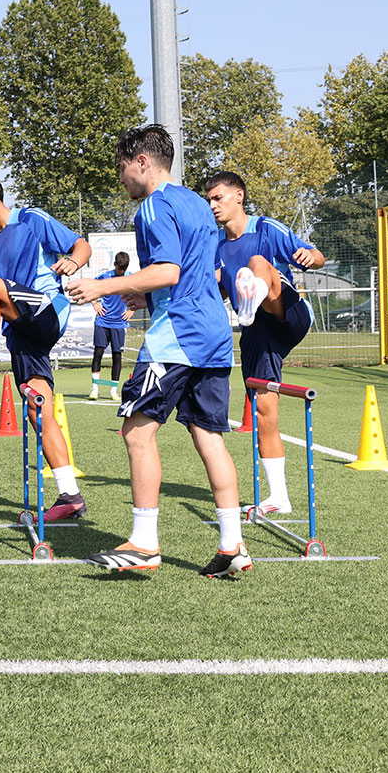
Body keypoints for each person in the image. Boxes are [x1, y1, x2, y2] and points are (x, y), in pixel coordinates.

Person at [67, 125, 249, 578]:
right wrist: (144, 296)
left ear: (142, 162)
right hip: (214, 335)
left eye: (122, 168)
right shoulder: (195, 203)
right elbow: (195, 275)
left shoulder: (154, 206)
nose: (121, 178)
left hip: (178, 338)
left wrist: (100, 286)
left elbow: (168, 271)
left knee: (136, 432)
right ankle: (234, 546)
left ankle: (145, 543)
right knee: (209, 438)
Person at [0, 168, 93, 522]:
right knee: (38, 408)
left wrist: (73, 261)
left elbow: (80, 244)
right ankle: (70, 495)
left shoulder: (30, 219)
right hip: (21, 331)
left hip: (45, 309)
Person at [205, 170, 327, 516]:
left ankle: (254, 292)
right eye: (209, 200)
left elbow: (316, 256)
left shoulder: (265, 228)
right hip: (256, 329)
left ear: (239, 196)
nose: (213, 205)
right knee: (263, 411)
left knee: (257, 263)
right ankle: (279, 497)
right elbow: (214, 289)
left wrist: (308, 258)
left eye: (219, 198)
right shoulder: (217, 248)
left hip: (287, 312)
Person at [89, 253, 133, 400]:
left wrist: (132, 310)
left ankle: (114, 390)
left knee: (117, 356)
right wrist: (95, 303)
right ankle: (94, 389)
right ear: (115, 265)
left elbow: (142, 293)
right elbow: (91, 288)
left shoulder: (130, 277)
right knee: (98, 353)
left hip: (119, 323)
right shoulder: (104, 277)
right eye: (120, 269)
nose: (122, 272)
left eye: (124, 269)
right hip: (102, 321)